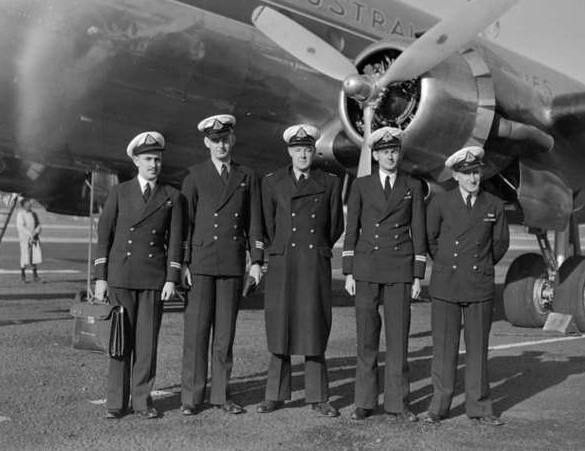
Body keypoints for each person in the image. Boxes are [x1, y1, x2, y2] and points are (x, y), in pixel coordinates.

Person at [94, 131, 184, 420]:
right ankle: (115, 403)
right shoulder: (119, 193)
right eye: (148, 159)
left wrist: (172, 278)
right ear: (135, 160)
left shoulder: (171, 196)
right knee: (120, 343)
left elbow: (176, 240)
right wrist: (100, 277)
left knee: (146, 345)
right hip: (121, 277)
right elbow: (104, 236)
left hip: (153, 279)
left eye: (157, 159)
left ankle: (143, 402)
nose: (153, 164)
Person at [257, 124, 344, 417]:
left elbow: (334, 226)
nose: (302, 154)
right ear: (289, 152)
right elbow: (267, 225)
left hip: (313, 261)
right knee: (280, 326)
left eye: (307, 149)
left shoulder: (330, 182)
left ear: (313, 151)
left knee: (314, 326)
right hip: (284, 261)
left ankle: (319, 397)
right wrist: (283, 246)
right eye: (297, 149)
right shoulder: (271, 182)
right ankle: (275, 395)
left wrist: (314, 244)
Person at [180, 114, 264, 416]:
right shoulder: (194, 176)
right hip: (200, 264)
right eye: (215, 140)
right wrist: (184, 263)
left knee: (225, 336)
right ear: (207, 142)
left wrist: (256, 262)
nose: (221, 145)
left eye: (225, 139)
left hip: (231, 263)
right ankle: (191, 397)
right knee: (197, 334)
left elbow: (255, 222)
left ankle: (221, 395)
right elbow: (184, 224)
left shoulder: (246, 175)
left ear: (233, 140)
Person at [342, 127, 427, 421]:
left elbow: (419, 230)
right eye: (384, 152)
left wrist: (417, 275)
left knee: (398, 340)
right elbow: (352, 229)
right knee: (366, 338)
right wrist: (349, 271)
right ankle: (364, 402)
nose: (390, 156)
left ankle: (398, 404)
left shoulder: (412, 186)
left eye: (394, 151)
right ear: (375, 155)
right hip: (366, 268)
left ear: (399, 154)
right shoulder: (361, 185)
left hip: (400, 268)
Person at [424, 146, 509, 426]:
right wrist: (447, 263)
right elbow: (430, 239)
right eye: (466, 173)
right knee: (444, 350)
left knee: (477, 350)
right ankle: (438, 407)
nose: (473, 178)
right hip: (447, 282)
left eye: (476, 172)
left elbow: (499, 244)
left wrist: (482, 264)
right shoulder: (440, 203)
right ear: (455, 176)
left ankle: (480, 408)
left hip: (479, 283)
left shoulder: (494, 204)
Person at [16, 198, 46, 284]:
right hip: (25, 238)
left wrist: (36, 233)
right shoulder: (20, 214)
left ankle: (35, 276)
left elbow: (38, 225)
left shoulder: (34, 214)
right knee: (25, 255)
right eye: (27, 203)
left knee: (34, 256)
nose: (29, 204)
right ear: (24, 205)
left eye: (29, 203)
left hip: (34, 237)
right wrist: (30, 234)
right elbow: (21, 227)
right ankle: (23, 276)